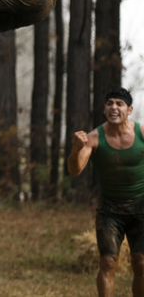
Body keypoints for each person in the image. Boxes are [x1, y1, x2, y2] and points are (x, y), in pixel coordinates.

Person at [68, 87, 144, 297]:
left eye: (119, 104)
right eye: (110, 103)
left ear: (129, 110)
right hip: (110, 210)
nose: (113, 107)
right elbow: (75, 170)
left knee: (141, 264)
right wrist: (76, 149)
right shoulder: (93, 138)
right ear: (104, 109)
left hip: (141, 207)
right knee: (108, 262)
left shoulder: (142, 133)